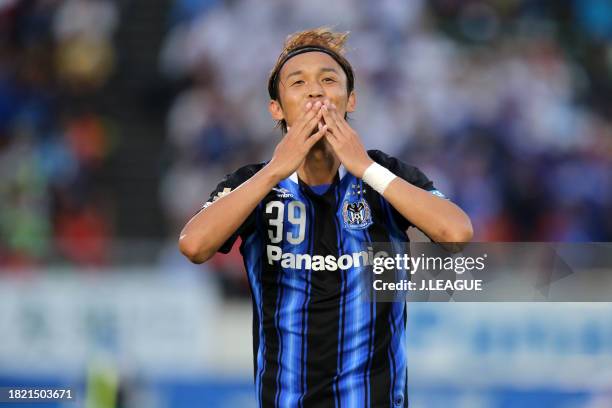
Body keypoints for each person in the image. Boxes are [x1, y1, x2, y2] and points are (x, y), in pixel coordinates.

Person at [179, 27, 473, 408]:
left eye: (328, 80)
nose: (316, 91)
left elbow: (457, 232)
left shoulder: (386, 175)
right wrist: (274, 170)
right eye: (298, 83)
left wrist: (365, 167)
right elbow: (193, 245)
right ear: (277, 108)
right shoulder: (252, 185)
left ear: (350, 100)